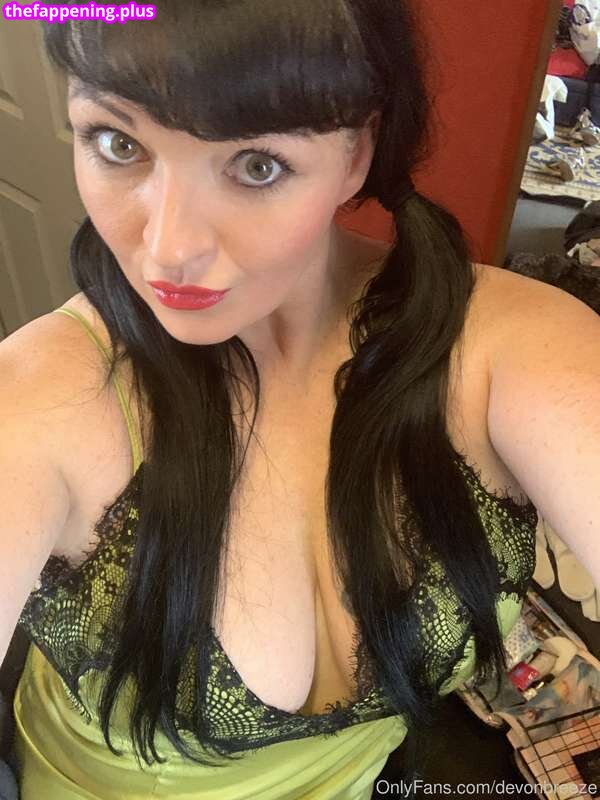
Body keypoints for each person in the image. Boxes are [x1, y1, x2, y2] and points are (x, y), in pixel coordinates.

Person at [1, 1, 599, 798]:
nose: (169, 248)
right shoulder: (35, 403)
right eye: (118, 143)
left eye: (256, 165)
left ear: (358, 154)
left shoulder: (517, 348)